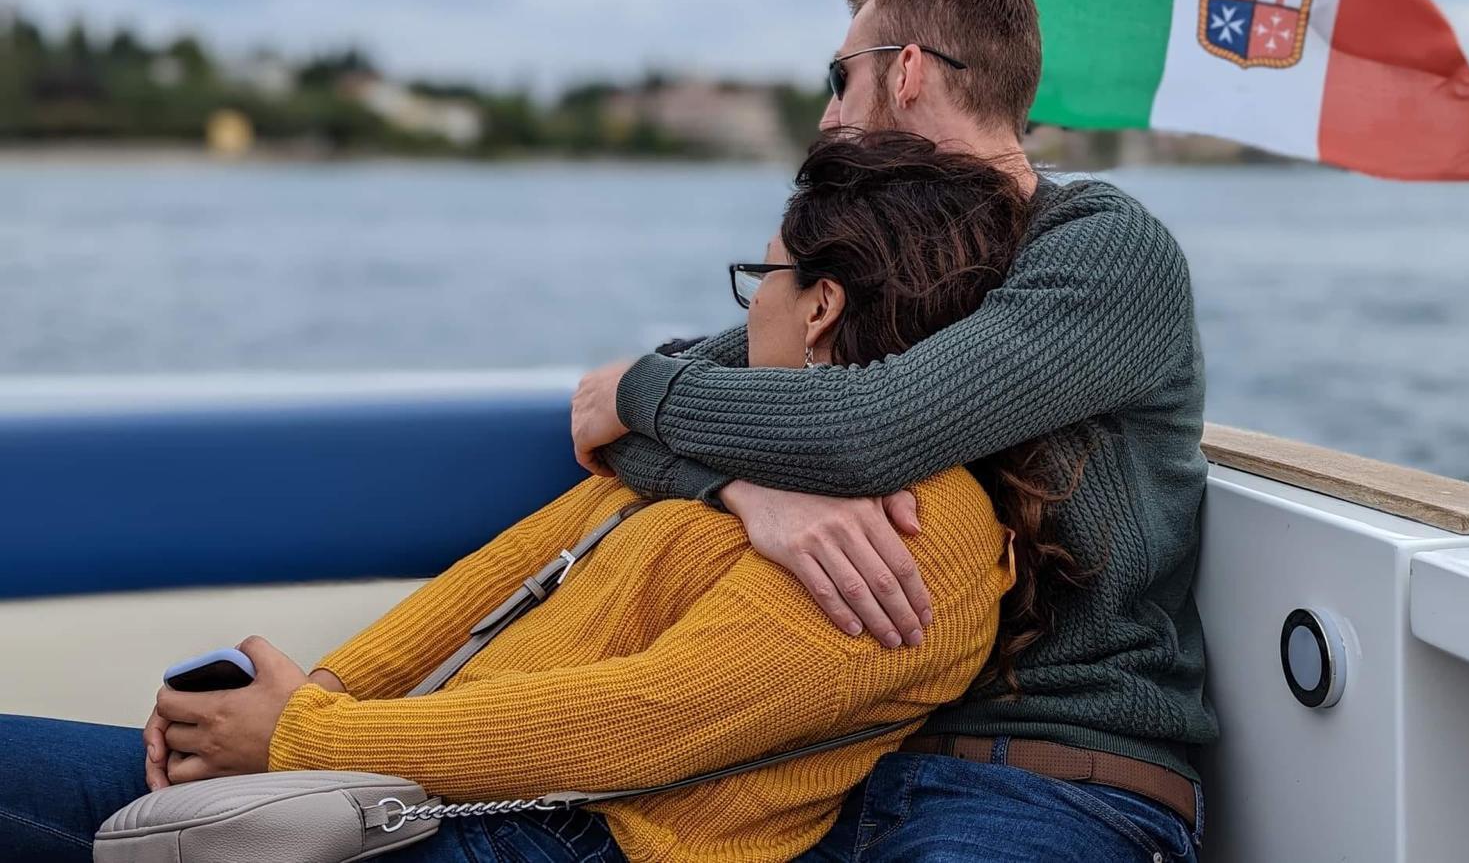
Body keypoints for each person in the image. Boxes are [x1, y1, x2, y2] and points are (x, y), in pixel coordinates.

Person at [0, 130, 1058, 863]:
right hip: (409, 781)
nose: (746, 312)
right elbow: (504, 567)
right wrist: (311, 688)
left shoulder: (924, 531)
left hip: (550, 833)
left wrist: (298, 736)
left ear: (822, 305)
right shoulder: (756, 444)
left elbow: (643, 720)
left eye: (761, 279)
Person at [571, 0, 1217, 862]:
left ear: (906, 70)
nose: (828, 117)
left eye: (841, 78)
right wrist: (745, 493)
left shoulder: (1103, 250)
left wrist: (642, 396)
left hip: (1054, 771)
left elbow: (872, 427)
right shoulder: (879, 262)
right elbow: (630, 400)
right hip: (843, 761)